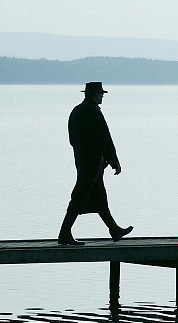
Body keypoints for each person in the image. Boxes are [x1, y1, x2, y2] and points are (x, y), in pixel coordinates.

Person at [58, 81, 133, 245]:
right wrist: (114, 161)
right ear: (93, 95)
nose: (102, 97)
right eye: (100, 94)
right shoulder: (93, 112)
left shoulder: (76, 111)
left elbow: (72, 140)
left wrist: (82, 154)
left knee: (99, 198)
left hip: (83, 161)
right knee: (79, 196)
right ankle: (64, 234)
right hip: (92, 164)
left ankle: (114, 229)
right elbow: (105, 139)